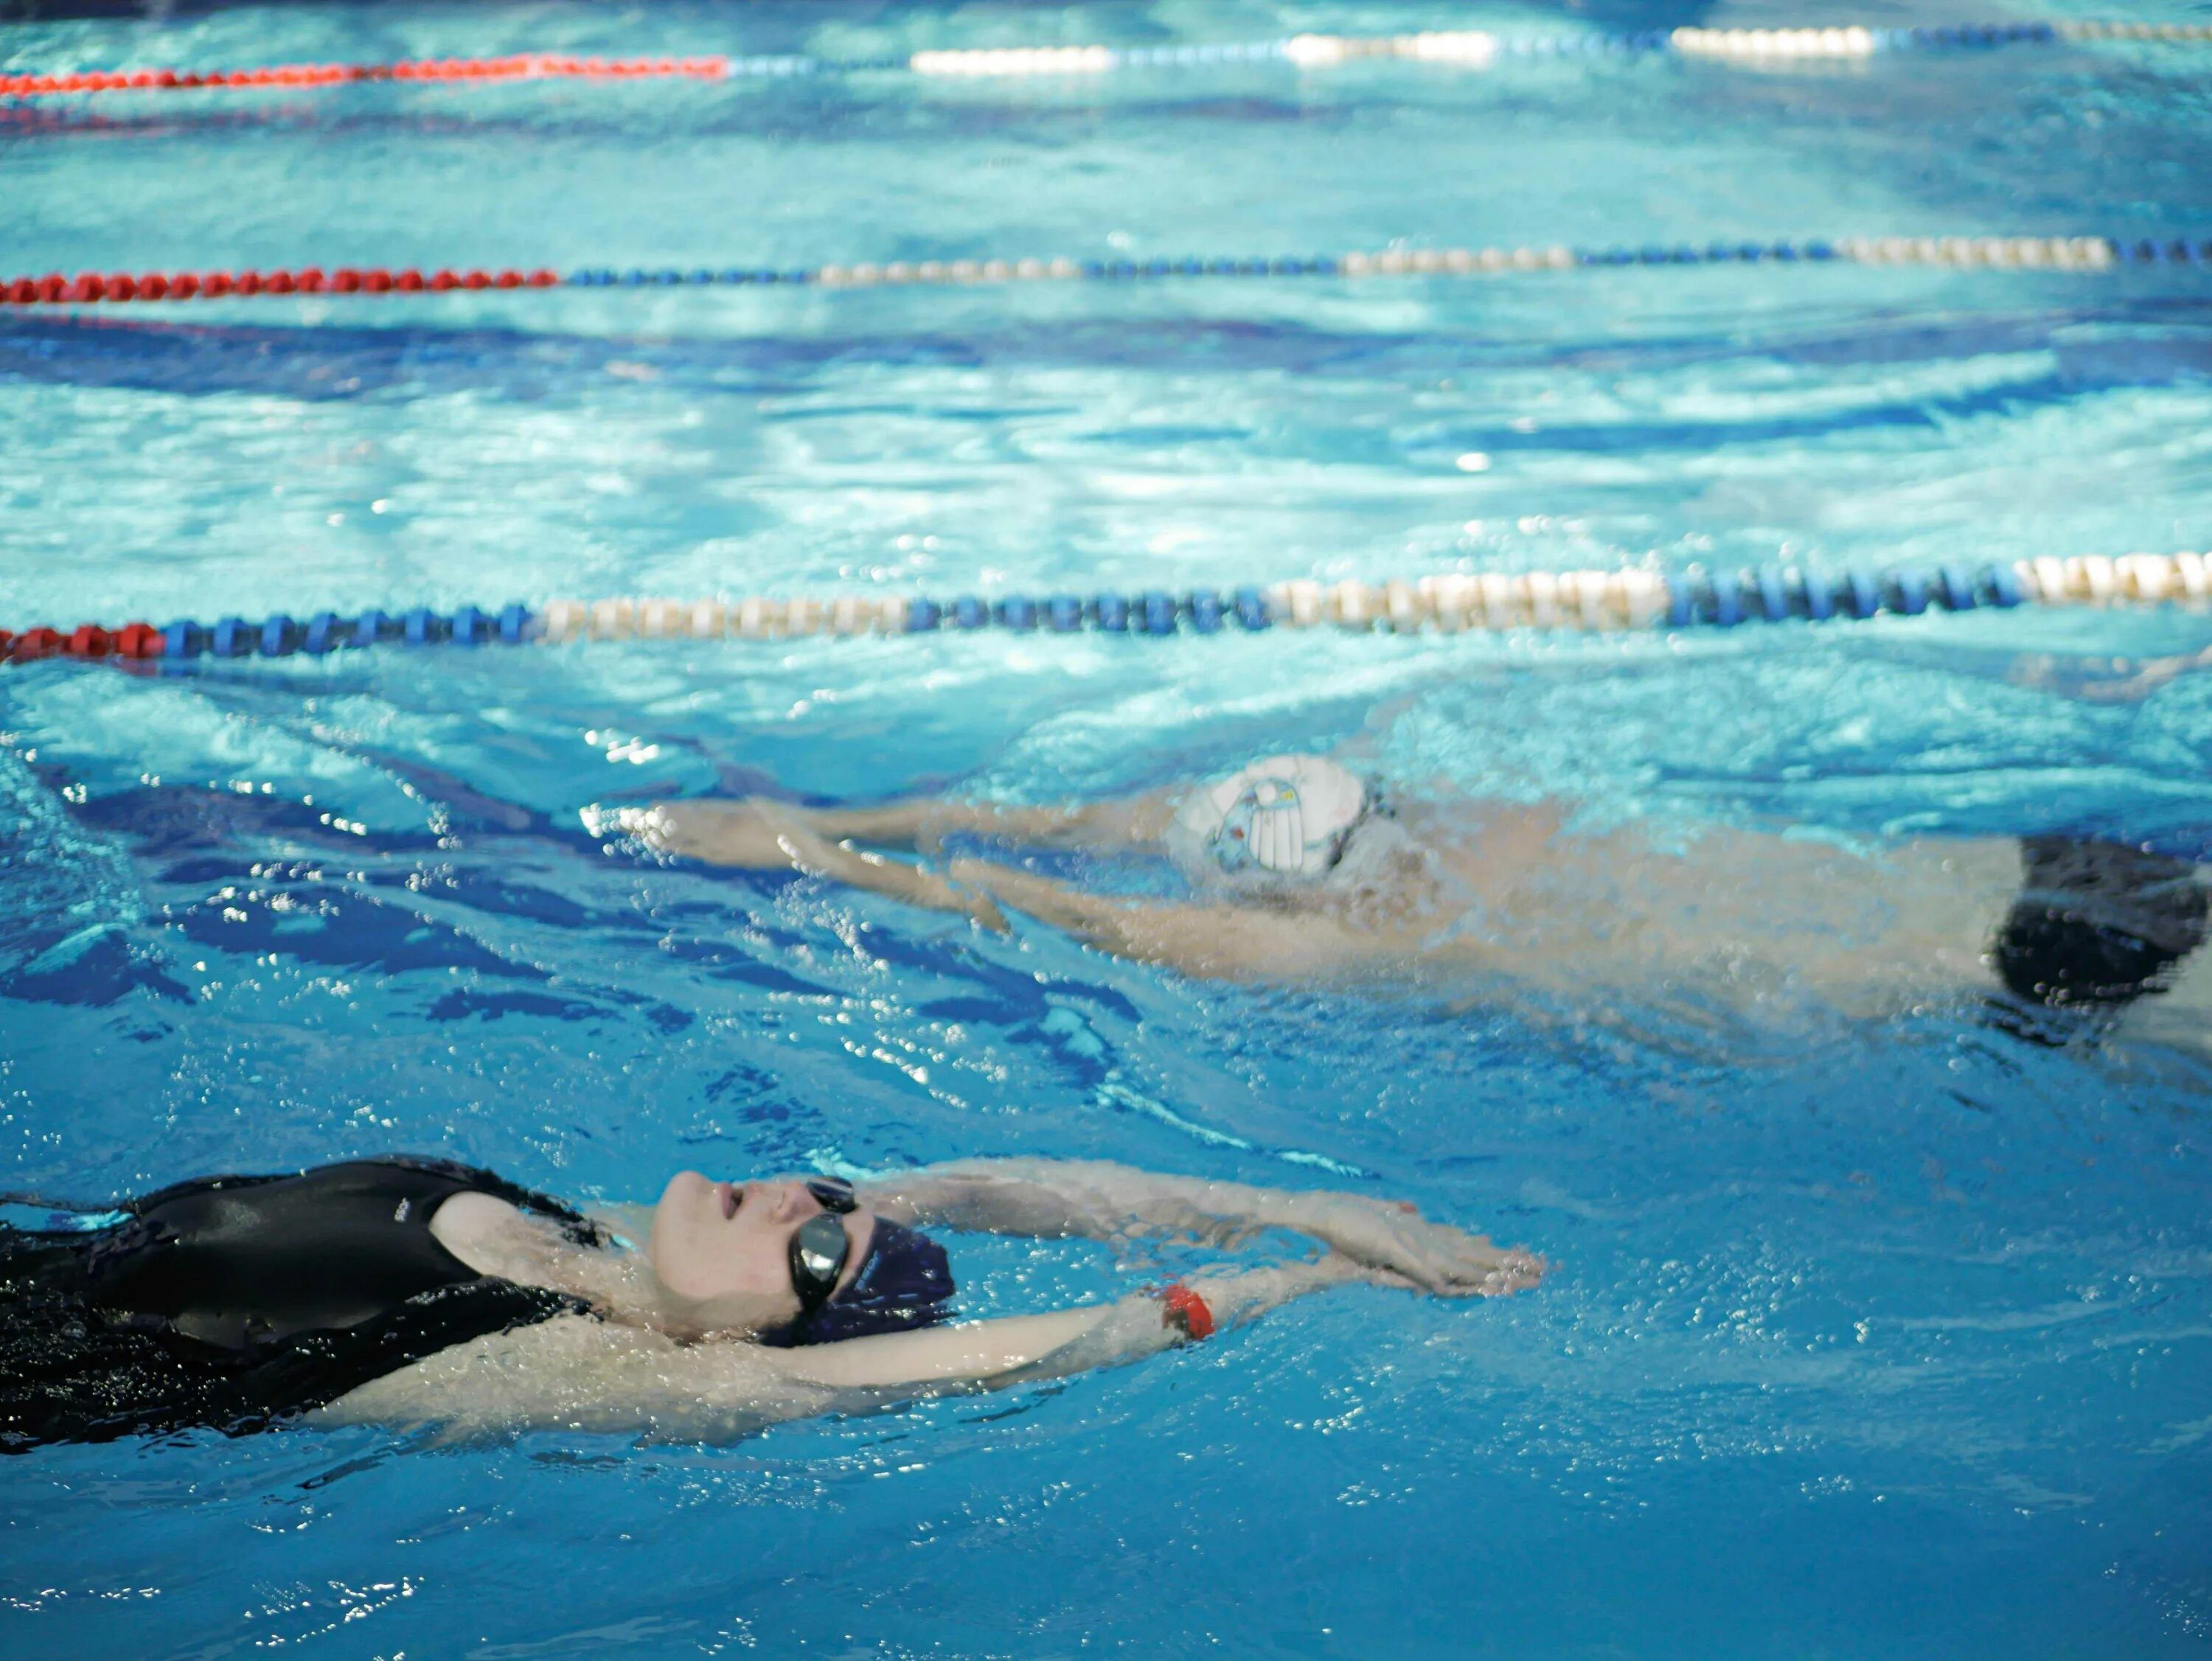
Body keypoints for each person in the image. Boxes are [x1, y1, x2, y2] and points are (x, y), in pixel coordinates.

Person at [0, 1153, 1541, 1451]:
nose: (810, 1205)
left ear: (768, 1335)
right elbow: (973, 1188)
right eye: (825, 1191)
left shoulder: (585, 1365)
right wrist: (1292, 1193)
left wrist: (1297, 1276)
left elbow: (1033, 1343)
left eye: (819, 1252)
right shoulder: (589, 1233)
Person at [616, 754, 2212, 1031]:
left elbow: (1019, 890)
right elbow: (1060, 827)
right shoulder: (1473, 815)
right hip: (2034, 860)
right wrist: (827, 817)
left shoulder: (1328, 952)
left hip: (2025, 972)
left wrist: (811, 842)